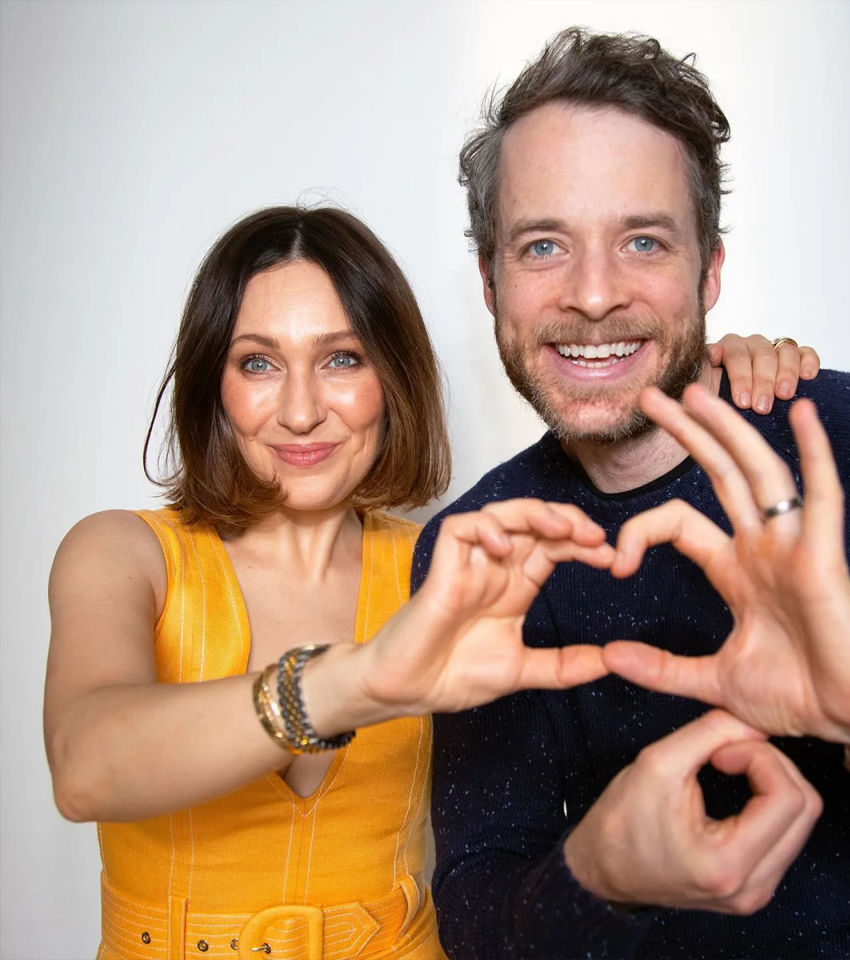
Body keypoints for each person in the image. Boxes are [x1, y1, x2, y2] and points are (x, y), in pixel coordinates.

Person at [43, 205, 799, 960]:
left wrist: (703, 385)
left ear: (391, 376)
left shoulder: (446, 563)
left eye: (342, 359)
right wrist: (360, 682)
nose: (303, 410)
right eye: (259, 363)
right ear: (215, 384)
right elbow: (85, 767)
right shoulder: (122, 553)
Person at [413, 28, 850, 960]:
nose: (593, 294)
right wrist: (597, 874)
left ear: (708, 268)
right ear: (490, 281)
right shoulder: (477, 548)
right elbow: (477, 914)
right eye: (544, 244)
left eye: (643, 240)